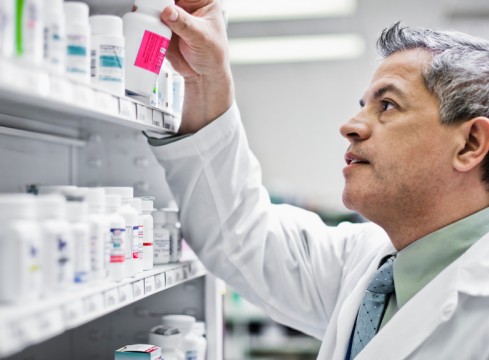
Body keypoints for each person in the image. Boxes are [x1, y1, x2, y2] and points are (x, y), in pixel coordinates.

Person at [145, 1, 489, 359]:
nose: (350, 126)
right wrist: (205, 82)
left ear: (469, 144)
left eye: (387, 105)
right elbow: (238, 232)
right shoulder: (369, 265)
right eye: (363, 105)